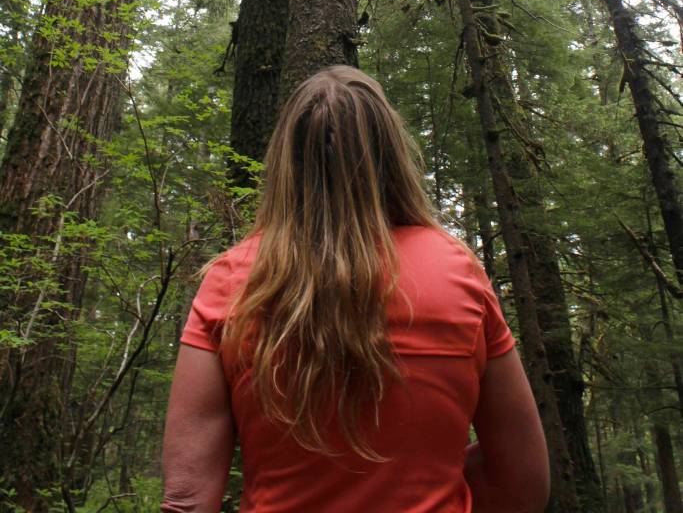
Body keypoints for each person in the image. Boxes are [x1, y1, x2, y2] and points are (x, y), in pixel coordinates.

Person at [161, 65, 550, 513]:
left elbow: (188, 498)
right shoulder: (458, 270)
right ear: (391, 154)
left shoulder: (233, 281)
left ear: (285, 160)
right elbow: (523, 480)